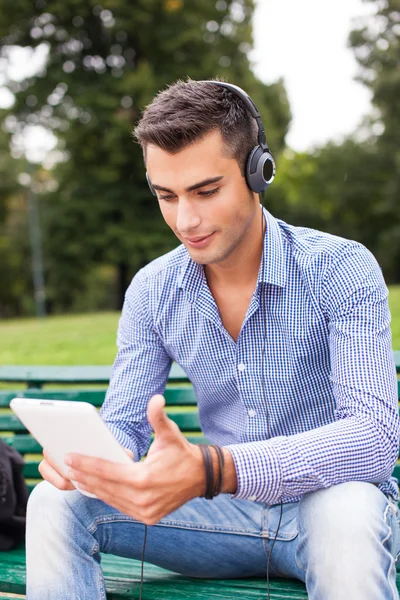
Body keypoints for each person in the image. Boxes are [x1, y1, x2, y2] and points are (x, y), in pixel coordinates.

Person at [26, 79, 400, 600]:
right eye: (167, 196)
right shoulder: (153, 290)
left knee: (345, 515)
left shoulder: (341, 268)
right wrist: (87, 462)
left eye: (205, 192)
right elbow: (125, 427)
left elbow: (375, 436)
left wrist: (216, 467)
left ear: (257, 173)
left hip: (333, 505)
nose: (186, 220)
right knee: (53, 501)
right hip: (220, 521)